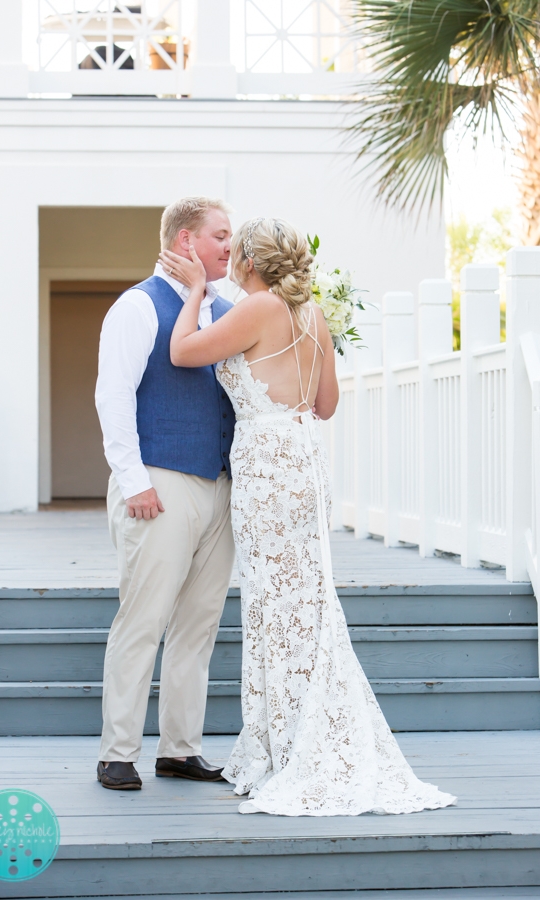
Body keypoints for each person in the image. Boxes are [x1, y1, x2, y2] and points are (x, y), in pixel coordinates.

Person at [165, 216, 457, 816]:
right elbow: (325, 406)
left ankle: (292, 746)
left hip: (265, 467)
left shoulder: (256, 307)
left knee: (274, 605)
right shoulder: (312, 313)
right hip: (302, 461)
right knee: (308, 602)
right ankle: (297, 734)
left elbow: (182, 351)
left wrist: (195, 290)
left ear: (248, 260)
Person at [94, 196, 236, 790]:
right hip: (159, 482)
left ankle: (180, 748)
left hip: (220, 487)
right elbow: (113, 397)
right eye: (221, 235)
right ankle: (118, 751)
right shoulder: (137, 306)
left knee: (199, 624)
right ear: (185, 241)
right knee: (143, 618)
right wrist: (136, 483)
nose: (232, 246)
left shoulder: (228, 310)